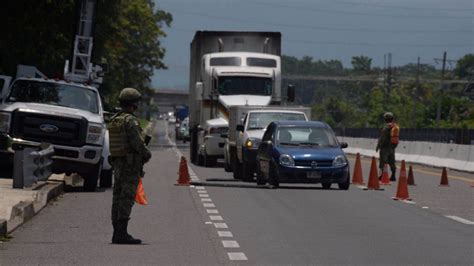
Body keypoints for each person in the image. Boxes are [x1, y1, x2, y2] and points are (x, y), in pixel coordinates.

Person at [108, 88, 152, 244]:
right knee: (126, 198)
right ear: (133, 103)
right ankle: (121, 233)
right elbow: (137, 143)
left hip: (118, 163)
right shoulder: (130, 121)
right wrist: (147, 154)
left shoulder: (115, 119)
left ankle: (116, 232)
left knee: (117, 198)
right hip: (129, 166)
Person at [376, 112, 400, 181]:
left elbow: (382, 138)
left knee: (383, 161)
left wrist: (378, 145)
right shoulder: (395, 127)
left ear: (385, 119)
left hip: (385, 147)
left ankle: (381, 176)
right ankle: (393, 175)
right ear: (392, 119)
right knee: (392, 161)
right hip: (392, 147)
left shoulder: (386, 127)